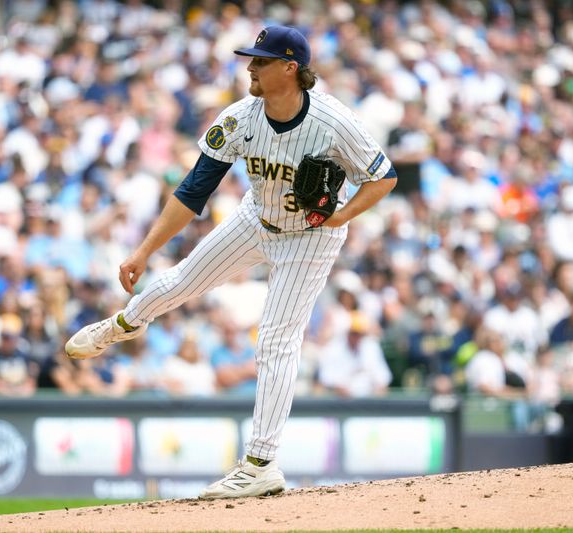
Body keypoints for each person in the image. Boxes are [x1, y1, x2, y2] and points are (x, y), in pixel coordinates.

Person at [65, 25, 397, 499]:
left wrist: (341, 215)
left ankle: (260, 464)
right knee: (178, 282)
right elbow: (194, 189)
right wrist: (143, 251)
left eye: (260, 61)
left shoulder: (334, 121)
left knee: (277, 339)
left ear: (290, 68)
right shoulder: (241, 118)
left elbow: (383, 177)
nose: (250, 67)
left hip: (310, 238)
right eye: (251, 59)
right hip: (256, 217)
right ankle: (122, 324)